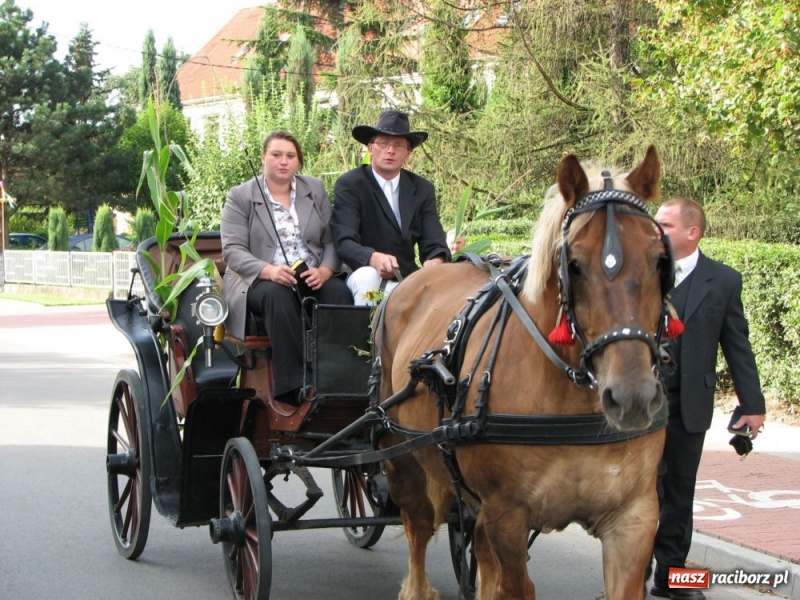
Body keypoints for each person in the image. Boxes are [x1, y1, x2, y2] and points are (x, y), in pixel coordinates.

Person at [651, 197, 766, 600]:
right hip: (639, 404)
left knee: (680, 493)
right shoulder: (639, 270)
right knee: (639, 493)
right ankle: (625, 580)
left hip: (689, 406)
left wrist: (752, 405)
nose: (655, 229)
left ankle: (673, 578)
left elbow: (738, 346)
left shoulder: (724, 280)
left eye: (664, 224)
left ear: (691, 232)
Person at [220, 130, 352, 405]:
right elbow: (233, 252)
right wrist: (268, 271)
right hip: (259, 279)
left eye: (290, 156)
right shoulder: (240, 196)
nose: (283, 161)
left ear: (299, 162)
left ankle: (339, 378)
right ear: (263, 158)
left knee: (339, 293)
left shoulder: (314, 189)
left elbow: (332, 240)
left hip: (310, 272)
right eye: (276, 155)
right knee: (277, 297)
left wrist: (326, 271)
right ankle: (292, 387)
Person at [330, 110, 451, 305]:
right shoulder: (351, 184)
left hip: (406, 279)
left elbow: (434, 241)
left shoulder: (422, 189)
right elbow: (343, 241)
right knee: (367, 277)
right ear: (370, 148)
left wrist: (434, 262)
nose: (390, 151)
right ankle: (367, 336)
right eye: (383, 144)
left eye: (398, 145)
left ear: (408, 153)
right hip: (362, 277)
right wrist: (373, 258)